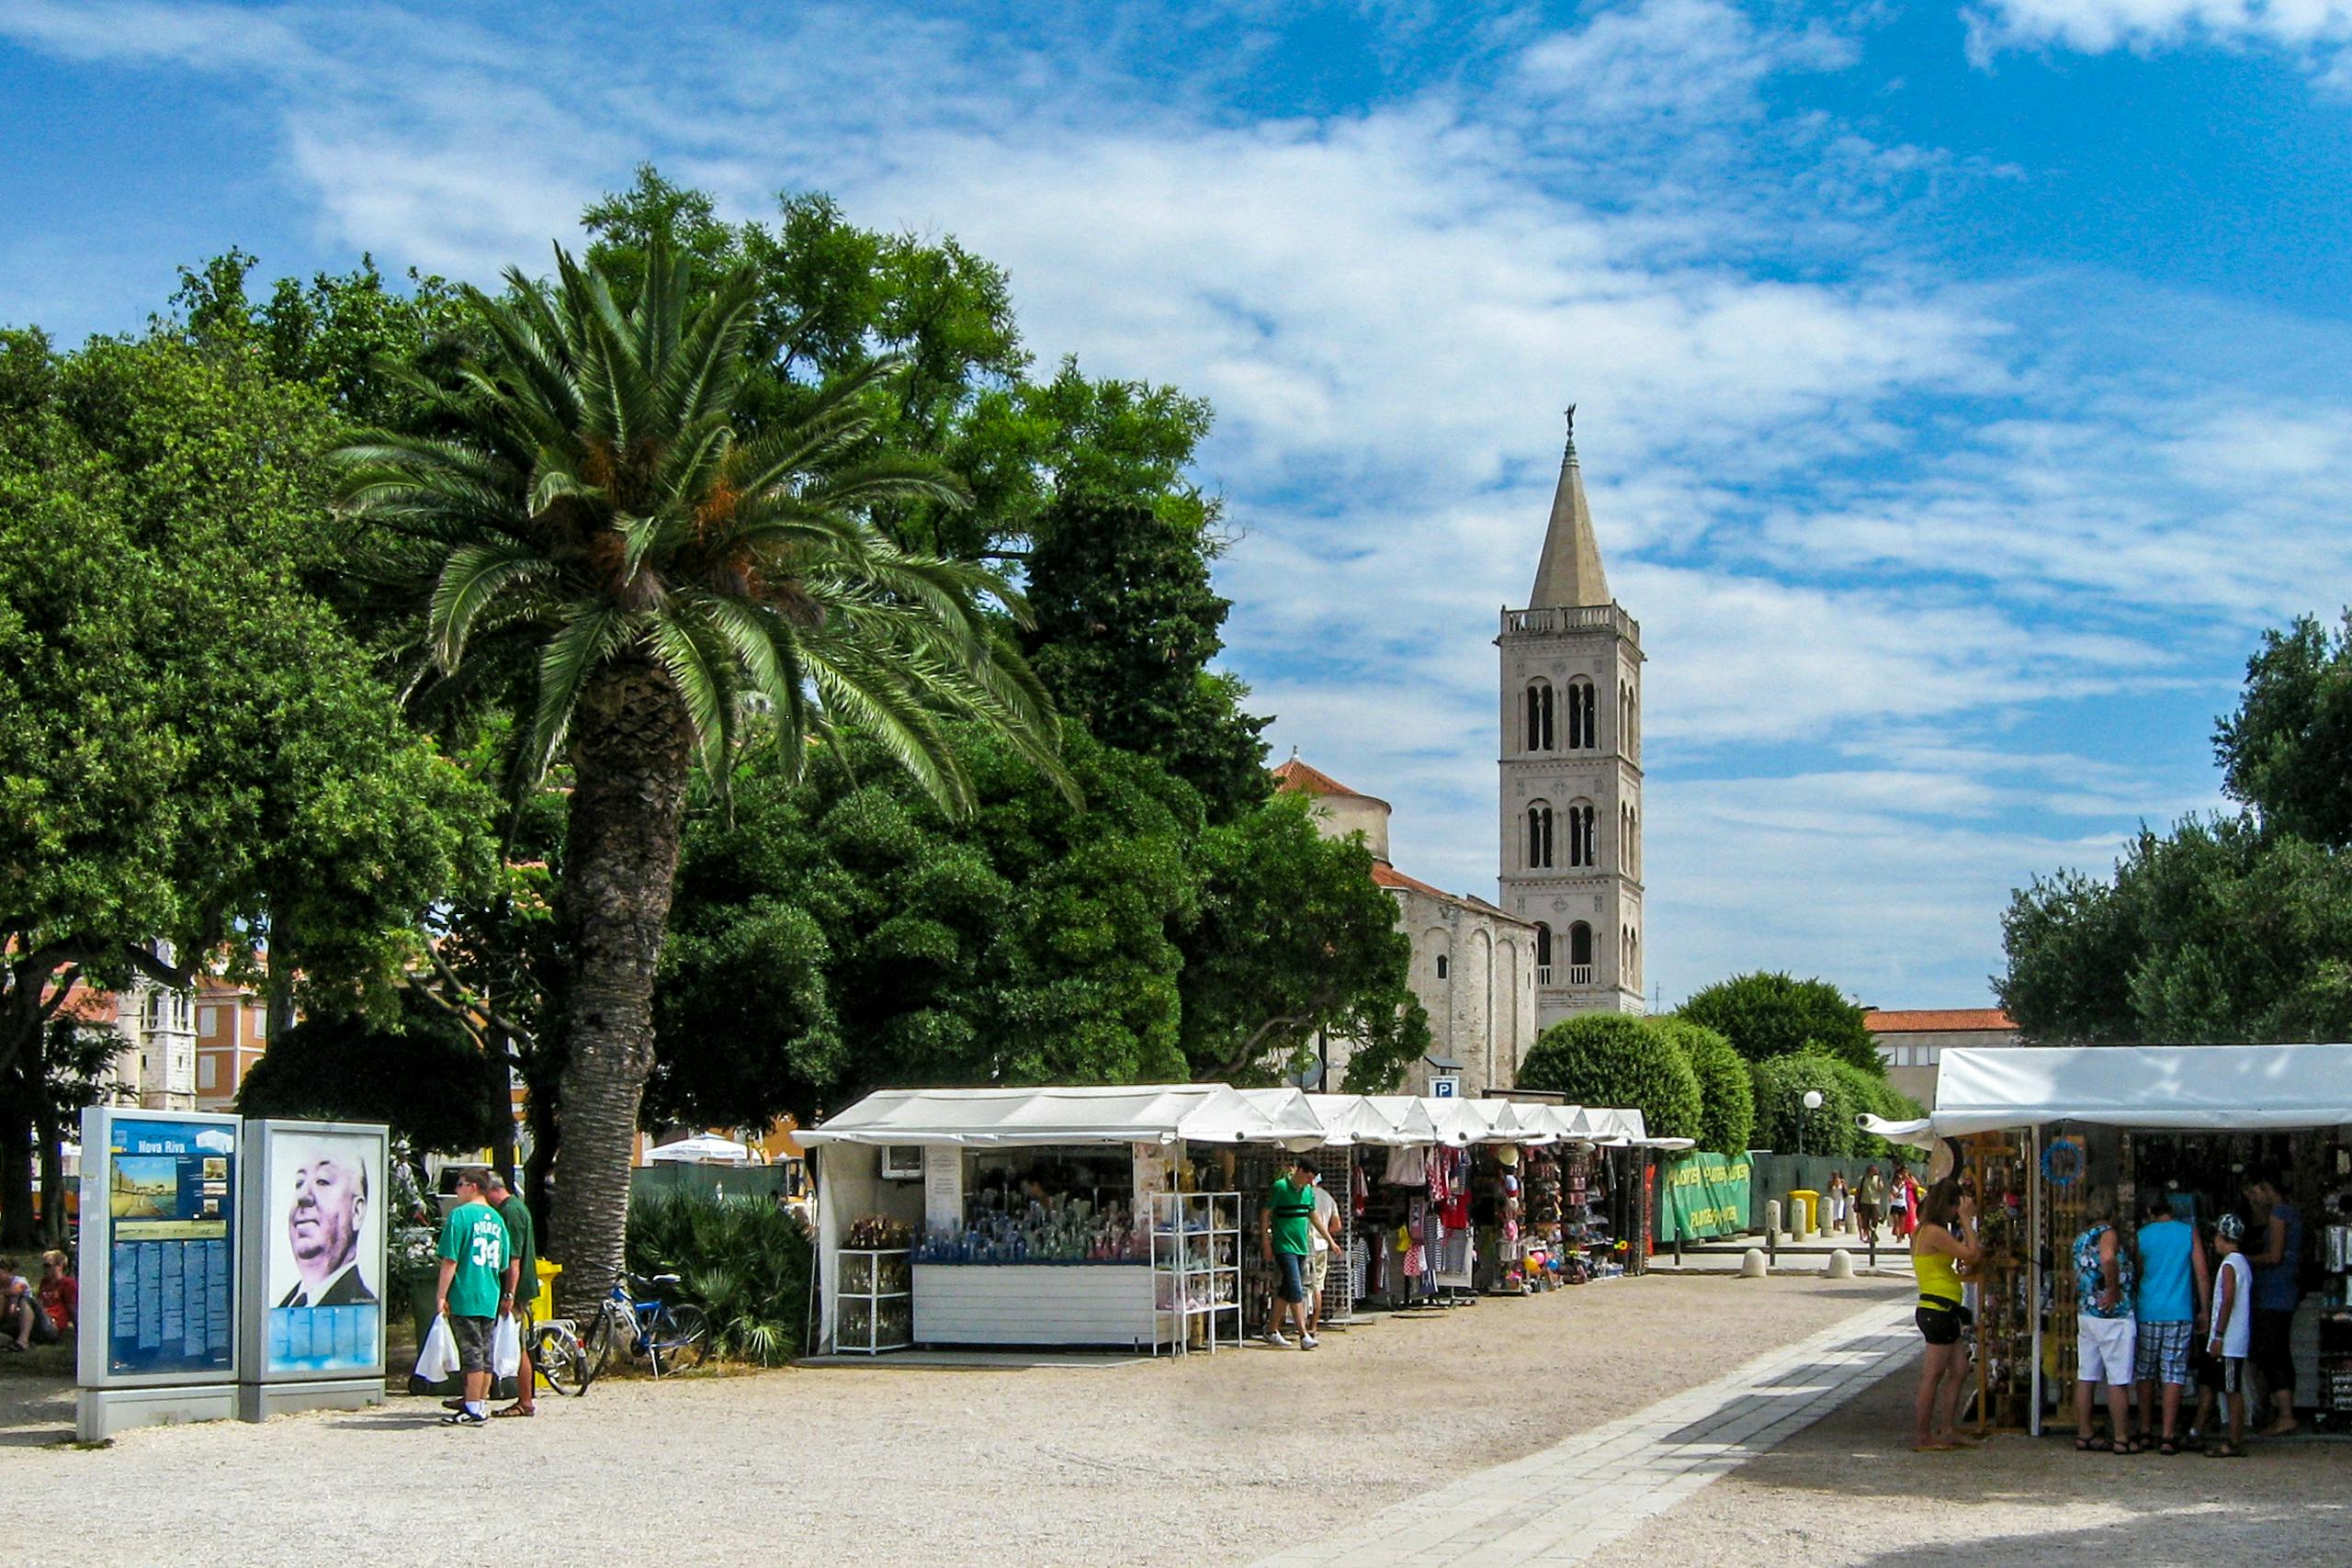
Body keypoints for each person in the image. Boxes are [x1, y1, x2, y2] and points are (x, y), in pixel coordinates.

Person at [434, 1168, 517, 1427]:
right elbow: (503, 1263)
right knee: (485, 1352)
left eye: (459, 1185)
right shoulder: (497, 1219)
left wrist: (441, 1295)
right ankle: (481, 1403)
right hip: (489, 1293)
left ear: (472, 1187)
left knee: (471, 1353)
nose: (456, 1190)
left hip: (465, 1292)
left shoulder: (460, 1216)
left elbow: (450, 1260)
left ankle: (471, 1407)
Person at [2132, 1191, 2211, 1455]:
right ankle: (2167, 1434)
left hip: (2148, 1309)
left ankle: (2144, 1430)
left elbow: (2138, 1272)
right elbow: (2201, 1273)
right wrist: (2205, 1310)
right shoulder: (2188, 1232)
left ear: (2149, 1213)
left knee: (2145, 1370)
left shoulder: (2142, 1235)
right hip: (2180, 1310)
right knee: (2173, 1372)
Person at [1910, 1180, 1981, 1451]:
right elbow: (1971, 1254)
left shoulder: (1925, 1231)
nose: (1957, 1212)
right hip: (1937, 1309)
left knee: (1960, 1370)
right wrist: (1966, 1220)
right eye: (1956, 1207)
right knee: (1933, 1374)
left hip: (1943, 1308)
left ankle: (1947, 1428)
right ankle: (1923, 1436)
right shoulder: (1934, 1233)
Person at [2070, 1187, 2138, 1451]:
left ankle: (2084, 1431)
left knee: (2086, 1375)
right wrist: (2113, 1290)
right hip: (2112, 1315)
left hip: (2087, 1313)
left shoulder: (2081, 1238)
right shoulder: (2108, 1234)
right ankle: (2122, 1437)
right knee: (2118, 1378)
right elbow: (2108, 1257)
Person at [2242, 1168, 2301, 1438]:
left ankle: (2284, 1413)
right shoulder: (2292, 1212)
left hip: (2274, 1292)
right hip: (2284, 1291)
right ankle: (2280, 1410)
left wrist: (2245, 1259)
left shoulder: (2279, 1214)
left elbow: (2274, 1255)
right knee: (2278, 1350)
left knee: (2270, 1351)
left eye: (2258, 1191)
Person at [278, 1145, 376, 1307]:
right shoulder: (284, 1306)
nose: (303, 1195)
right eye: (299, 1183)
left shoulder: (362, 1310)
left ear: (357, 1211)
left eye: (323, 1181)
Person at [1261, 1152, 1330, 1350]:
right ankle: (1303, 1334)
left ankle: (1272, 1329)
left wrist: (1330, 1240)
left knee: (1287, 1288)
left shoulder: (1308, 1192)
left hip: (1301, 1246)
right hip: (1284, 1245)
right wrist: (1266, 1242)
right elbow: (1265, 1214)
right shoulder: (1280, 1187)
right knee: (1296, 1287)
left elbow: (1314, 1217)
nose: (1310, 1182)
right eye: (1309, 1177)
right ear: (1300, 1171)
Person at [487, 1169, 538, 1418]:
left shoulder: (511, 1212)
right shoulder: (514, 1208)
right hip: (516, 1288)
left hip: (516, 1290)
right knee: (515, 1343)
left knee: (517, 1345)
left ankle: (525, 1400)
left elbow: (513, 1259)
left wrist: (509, 1294)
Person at [2204, 1213, 2254, 1459]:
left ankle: (2235, 1439)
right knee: (2231, 1388)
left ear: (2223, 1237)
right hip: (2237, 1338)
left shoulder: (2229, 1265)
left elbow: (2227, 1299)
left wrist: (2218, 1335)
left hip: (2230, 1340)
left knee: (2232, 1391)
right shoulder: (2243, 1262)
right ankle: (2235, 1437)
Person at [1306, 1167, 1341, 1334]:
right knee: (1318, 1286)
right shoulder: (1329, 1199)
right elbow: (1337, 1226)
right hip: (1322, 1246)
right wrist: (1326, 1233)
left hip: (1304, 1244)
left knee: (1300, 1285)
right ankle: (1313, 1326)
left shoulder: (1305, 1195)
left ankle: (1298, 1323)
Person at [0, 1258, 60, 1351]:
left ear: (6, 1270)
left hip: (42, 1325)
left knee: (26, 1300)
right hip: (19, 1327)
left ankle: (22, 1342)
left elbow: (15, 1295)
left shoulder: (20, 1282)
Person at [37, 1250, 76, 1337]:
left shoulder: (68, 1283)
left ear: (59, 1266)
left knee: (27, 1300)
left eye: (47, 1266)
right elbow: (39, 1303)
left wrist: (78, 1330)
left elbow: (72, 1307)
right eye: (43, 1266)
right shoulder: (45, 1282)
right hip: (40, 1320)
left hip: (53, 1324)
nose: (44, 1269)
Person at [1857, 1166, 1886, 1245]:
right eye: (1874, 1170)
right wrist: (1856, 1202)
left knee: (1875, 1219)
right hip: (1864, 1201)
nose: (1875, 1172)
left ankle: (1873, 1231)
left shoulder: (1878, 1179)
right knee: (1865, 1220)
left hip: (1875, 1201)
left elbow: (1881, 1189)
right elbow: (1858, 1191)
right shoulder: (1862, 1179)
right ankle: (1868, 1236)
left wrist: (1879, 1180)